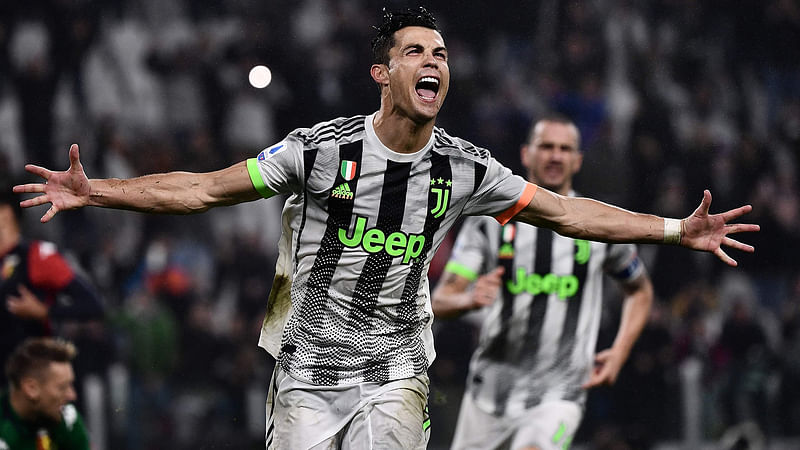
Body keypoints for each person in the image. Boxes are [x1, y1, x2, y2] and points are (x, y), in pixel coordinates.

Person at [12, 7, 758, 449]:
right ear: (383, 73)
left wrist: (670, 229)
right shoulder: (320, 149)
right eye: (415, 53)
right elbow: (204, 190)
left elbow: (569, 211)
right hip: (304, 370)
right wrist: (98, 191)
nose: (433, 64)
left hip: (397, 371)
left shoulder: (465, 168)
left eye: (440, 55)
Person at [431, 116, 654, 449]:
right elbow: (441, 299)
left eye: (564, 149)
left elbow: (639, 290)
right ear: (526, 154)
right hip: (489, 395)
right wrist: (468, 299)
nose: (555, 156)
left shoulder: (598, 225)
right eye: (546, 146)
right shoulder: (490, 221)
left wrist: (620, 350)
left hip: (559, 395)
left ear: (577, 160)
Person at [0, 182, 104, 388]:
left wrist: (45, 311)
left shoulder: (37, 256)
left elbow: (92, 305)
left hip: (30, 380)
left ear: (7, 216)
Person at [0, 337, 90, 450]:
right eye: (62, 387)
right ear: (31, 388)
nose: (72, 396)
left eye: (70, 385)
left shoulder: (68, 419)